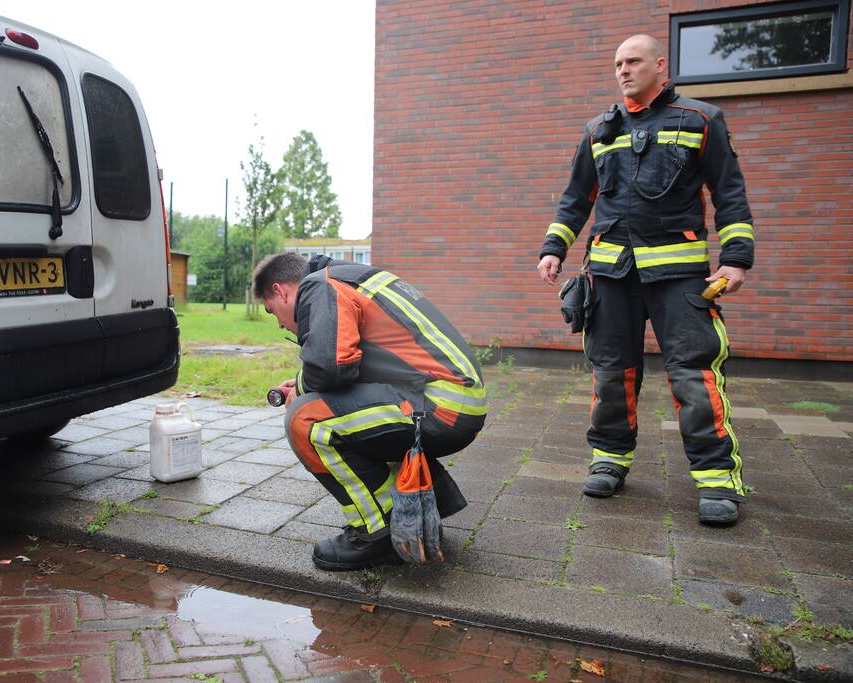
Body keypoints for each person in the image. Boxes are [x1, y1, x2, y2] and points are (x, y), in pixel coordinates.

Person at [537, 34, 754, 525]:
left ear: (660, 65)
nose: (623, 70)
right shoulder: (599, 130)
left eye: (633, 61)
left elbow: (729, 193)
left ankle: (717, 479)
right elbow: (576, 198)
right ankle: (609, 459)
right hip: (612, 273)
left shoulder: (700, 120)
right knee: (611, 372)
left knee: (694, 374)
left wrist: (736, 258)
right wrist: (554, 248)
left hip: (680, 275)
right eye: (618, 63)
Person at [253, 252, 487, 570]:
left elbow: (330, 368)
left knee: (307, 419)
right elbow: (354, 364)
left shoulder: (321, 285)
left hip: (442, 406)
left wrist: (301, 389)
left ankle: (378, 534)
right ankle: (417, 514)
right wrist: (304, 382)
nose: (280, 323)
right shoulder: (350, 278)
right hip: (454, 400)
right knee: (341, 411)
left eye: (272, 312)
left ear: (281, 291)